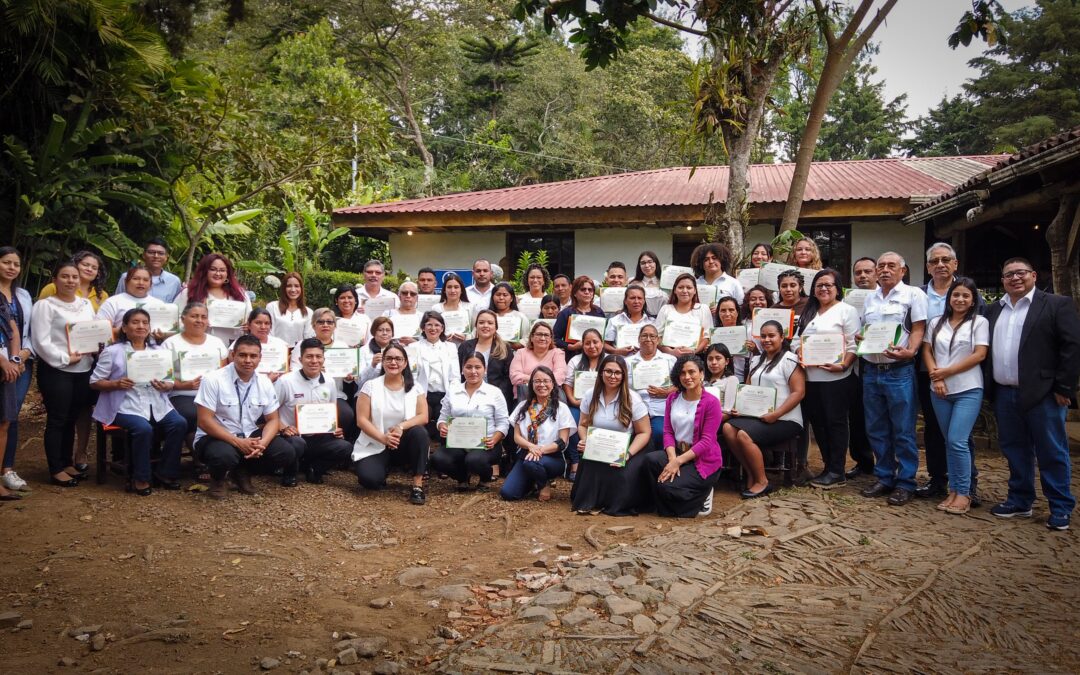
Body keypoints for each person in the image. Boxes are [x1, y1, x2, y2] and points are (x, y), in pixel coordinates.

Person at [985, 258, 1080, 531]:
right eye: (1008, 275)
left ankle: (1060, 506)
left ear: (1034, 275)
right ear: (1002, 280)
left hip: (1044, 394)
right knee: (1015, 449)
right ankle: (1020, 499)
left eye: (1021, 273)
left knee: (1052, 450)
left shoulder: (1055, 304)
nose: (1015, 278)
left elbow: (1072, 348)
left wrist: (1065, 388)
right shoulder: (994, 310)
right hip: (1004, 392)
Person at [915, 242, 986, 501]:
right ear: (928, 267)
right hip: (927, 373)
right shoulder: (917, 294)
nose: (940, 265)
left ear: (955, 264)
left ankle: (969, 485)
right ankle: (938, 481)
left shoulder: (967, 294)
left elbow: (980, 348)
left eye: (946, 260)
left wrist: (946, 373)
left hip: (963, 378)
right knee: (935, 430)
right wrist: (935, 373)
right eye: (935, 261)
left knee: (960, 434)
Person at [89, 309, 186, 495]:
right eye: (135, 322)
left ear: (149, 327)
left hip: (156, 403)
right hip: (124, 405)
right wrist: (116, 383)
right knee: (143, 428)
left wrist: (165, 385)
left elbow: (170, 380)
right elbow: (94, 382)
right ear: (124, 328)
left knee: (179, 423)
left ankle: (165, 473)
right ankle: (141, 477)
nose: (140, 326)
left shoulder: (159, 351)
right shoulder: (113, 352)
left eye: (144, 322)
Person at [858, 252, 928, 506]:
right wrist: (861, 338)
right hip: (872, 370)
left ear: (903, 270)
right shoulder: (870, 298)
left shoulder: (913, 295)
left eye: (891, 266)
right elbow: (866, 330)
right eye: (881, 266)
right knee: (876, 428)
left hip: (899, 371)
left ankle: (906, 482)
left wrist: (911, 350)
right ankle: (884, 477)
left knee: (903, 430)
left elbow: (919, 328)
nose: (885, 270)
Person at [194, 334, 299, 499]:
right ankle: (218, 478)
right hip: (216, 436)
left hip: (249, 433)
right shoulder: (213, 379)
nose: (248, 360)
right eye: (242, 355)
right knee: (223, 456)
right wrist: (237, 442)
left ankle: (243, 471)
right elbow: (204, 421)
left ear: (260, 358)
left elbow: (273, 419)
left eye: (253, 356)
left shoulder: (264, 382)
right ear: (233, 355)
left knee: (285, 453)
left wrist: (262, 444)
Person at [30, 261, 101, 486]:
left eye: (74, 277)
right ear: (55, 280)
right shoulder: (45, 306)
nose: (70, 281)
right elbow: (40, 341)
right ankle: (55, 468)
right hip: (56, 369)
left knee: (72, 417)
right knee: (58, 418)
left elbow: (92, 331)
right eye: (65, 276)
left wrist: (95, 346)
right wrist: (64, 358)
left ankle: (67, 462)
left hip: (83, 368)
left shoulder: (84, 305)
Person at [723, 320, 805, 499]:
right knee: (728, 428)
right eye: (763, 336)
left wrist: (776, 414)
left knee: (744, 435)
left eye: (772, 336)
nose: (767, 339)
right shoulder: (757, 360)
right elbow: (748, 389)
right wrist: (740, 407)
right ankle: (751, 471)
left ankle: (762, 481)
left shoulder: (789, 359)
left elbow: (798, 393)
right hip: (758, 417)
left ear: (782, 337)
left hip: (786, 419)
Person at [795, 269, 860, 489]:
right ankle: (827, 466)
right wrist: (800, 354)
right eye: (819, 285)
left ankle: (837, 470)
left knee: (836, 423)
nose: (823, 289)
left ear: (837, 288)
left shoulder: (846, 311)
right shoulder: (809, 312)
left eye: (828, 285)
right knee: (818, 424)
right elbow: (796, 341)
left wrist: (843, 364)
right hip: (810, 378)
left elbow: (853, 344)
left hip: (837, 378)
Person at [570, 354, 652, 515]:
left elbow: (644, 432)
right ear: (601, 372)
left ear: (623, 375)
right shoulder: (589, 394)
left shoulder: (633, 399)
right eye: (608, 371)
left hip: (627, 447)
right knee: (592, 466)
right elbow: (582, 424)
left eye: (617, 373)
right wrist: (585, 439)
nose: (612, 376)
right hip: (597, 446)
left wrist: (628, 454)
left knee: (620, 474)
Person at [643, 354, 723, 517]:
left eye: (692, 372)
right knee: (650, 461)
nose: (687, 377)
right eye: (682, 373)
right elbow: (668, 431)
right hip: (678, 453)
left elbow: (706, 441)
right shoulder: (672, 398)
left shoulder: (712, 402)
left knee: (668, 487)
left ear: (701, 373)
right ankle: (664, 503)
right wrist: (673, 459)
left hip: (703, 460)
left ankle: (703, 493)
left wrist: (677, 462)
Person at [353, 342, 430, 505]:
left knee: (420, 432)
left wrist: (401, 426)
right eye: (388, 359)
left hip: (404, 443)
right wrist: (383, 438)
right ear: (383, 362)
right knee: (370, 481)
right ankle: (384, 469)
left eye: (398, 359)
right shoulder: (370, 386)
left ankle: (417, 484)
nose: (393, 362)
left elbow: (423, 417)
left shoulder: (415, 387)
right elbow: (361, 420)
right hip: (376, 442)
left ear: (405, 362)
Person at [275, 338, 353, 484]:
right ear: (300, 359)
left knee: (345, 447)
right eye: (309, 356)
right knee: (297, 444)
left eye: (318, 357)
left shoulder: (329, 381)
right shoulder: (286, 381)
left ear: (324, 359)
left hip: (318, 436)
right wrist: (283, 428)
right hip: (292, 436)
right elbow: (271, 413)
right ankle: (290, 471)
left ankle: (314, 468)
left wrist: (334, 429)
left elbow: (330, 411)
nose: (314, 361)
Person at [430, 352, 511, 491]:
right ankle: (462, 478)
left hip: (486, 444)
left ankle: (485, 478)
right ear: (462, 369)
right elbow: (442, 418)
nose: (473, 371)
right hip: (458, 443)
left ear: (484, 369)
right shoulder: (453, 391)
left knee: (475, 460)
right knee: (437, 458)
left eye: (477, 367)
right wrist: (442, 427)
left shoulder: (494, 392)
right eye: (469, 367)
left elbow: (503, 423)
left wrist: (494, 439)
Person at [500, 366, 575, 502]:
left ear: (553, 384)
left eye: (546, 381)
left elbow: (563, 441)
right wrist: (531, 447)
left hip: (552, 457)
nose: (541, 385)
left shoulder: (561, 408)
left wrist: (539, 450)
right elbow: (517, 437)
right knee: (508, 493)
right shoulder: (523, 406)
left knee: (531, 463)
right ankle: (532, 482)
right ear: (531, 384)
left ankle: (543, 484)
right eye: (537, 381)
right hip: (526, 455)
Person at [162, 302, 229, 436]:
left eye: (203, 317)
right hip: (183, 395)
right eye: (194, 316)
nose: (199, 320)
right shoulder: (170, 344)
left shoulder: (216, 342)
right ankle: (200, 447)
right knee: (195, 415)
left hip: (214, 396)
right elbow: (163, 378)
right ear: (183, 319)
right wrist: (183, 385)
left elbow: (225, 372)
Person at [292, 307, 358, 439]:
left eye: (329, 322)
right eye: (321, 322)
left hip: (334, 394)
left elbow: (348, 378)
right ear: (313, 325)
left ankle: (334, 440)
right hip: (304, 392)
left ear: (335, 326)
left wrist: (349, 378)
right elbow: (294, 369)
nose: (325, 325)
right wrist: (312, 371)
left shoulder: (342, 346)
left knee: (346, 414)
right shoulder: (302, 345)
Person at [0, 247, 33, 493]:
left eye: (16, 264)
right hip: (3, 362)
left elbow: (27, 330)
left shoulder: (22, 295)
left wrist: (21, 355)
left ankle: (7, 469)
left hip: (19, 364)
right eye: (6, 262)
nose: (11, 267)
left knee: (9, 418)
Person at [846, 257, 879, 479]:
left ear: (876, 273)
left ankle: (887, 464)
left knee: (879, 417)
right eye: (858, 272)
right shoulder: (848, 301)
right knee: (856, 417)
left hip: (878, 363)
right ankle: (863, 461)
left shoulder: (883, 300)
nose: (863, 276)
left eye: (868, 271)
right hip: (853, 366)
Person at [406, 311, 460, 441]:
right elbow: (411, 376)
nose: (433, 328)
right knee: (419, 425)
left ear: (442, 328)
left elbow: (455, 377)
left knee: (446, 426)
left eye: (437, 325)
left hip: (445, 395)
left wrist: (451, 397)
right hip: (422, 395)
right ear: (423, 328)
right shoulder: (413, 347)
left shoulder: (451, 347)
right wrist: (418, 396)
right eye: (429, 325)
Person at [174, 253, 252, 342]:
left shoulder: (240, 294)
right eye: (213, 269)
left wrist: (248, 326)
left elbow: (251, 319)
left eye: (222, 270)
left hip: (233, 346)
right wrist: (195, 324)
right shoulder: (189, 292)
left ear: (227, 273)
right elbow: (175, 318)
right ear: (204, 271)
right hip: (197, 344)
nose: (218, 273)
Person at [627, 324, 676, 453]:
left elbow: (682, 384)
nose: (648, 339)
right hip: (634, 410)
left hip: (660, 409)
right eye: (644, 335)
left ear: (658, 340)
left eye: (652, 336)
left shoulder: (670, 360)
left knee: (660, 432)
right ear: (638, 339)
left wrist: (666, 392)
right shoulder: (627, 362)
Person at [564, 328, 605, 480]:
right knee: (572, 422)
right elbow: (567, 384)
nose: (592, 346)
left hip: (603, 406)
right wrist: (573, 400)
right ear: (582, 345)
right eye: (587, 343)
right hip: (579, 404)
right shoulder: (575, 361)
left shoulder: (609, 360)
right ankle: (575, 462)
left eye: (595, 342)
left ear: (602, 343)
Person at [458, 310, 514, 406]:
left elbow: (507, 377)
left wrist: (496, 395)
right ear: (476, 326)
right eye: (481, 322)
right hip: (468, 396)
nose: (485, 326)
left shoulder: (504, 348)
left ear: (496, 327)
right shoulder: (465, 346)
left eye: (490, 323)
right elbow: (459, 373)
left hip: (495, 397)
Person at [96, 266, 165, 338]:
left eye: (146, 280)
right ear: (126, 281)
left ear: (150, 284)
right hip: (119, 346)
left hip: (153, 347)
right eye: (136, 279)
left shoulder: (159, 304)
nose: (141, 283)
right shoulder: (113, 302)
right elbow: (99, 330)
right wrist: (124, 331)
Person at [655, 273, 712, 356]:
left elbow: (707, 337)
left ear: (695, 290)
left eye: (689, 288)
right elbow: (657, 336)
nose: (685, 291)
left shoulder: (703, 309)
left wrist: (693, 352)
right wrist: (671, 352)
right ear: (675, 290)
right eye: (681, 287)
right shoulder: (666, 309)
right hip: (670, 357)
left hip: (695, 357)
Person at [509, 322, 567, 399]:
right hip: (526, 394)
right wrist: (541, 382)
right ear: (532, 337)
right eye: (539, 334)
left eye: (546, 335)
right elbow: (515, 376)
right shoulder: (521, 353)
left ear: (550, 339)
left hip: (551, 395)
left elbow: (560, 376)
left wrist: (536, 382)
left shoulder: (557, 353)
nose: (542, 338)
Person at [114, 238, 182, 302]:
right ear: (144, 255)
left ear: (166, 257)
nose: (156, 256)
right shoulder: (127, 277)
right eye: (151, 252)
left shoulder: (174, 281)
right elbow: (117, 302)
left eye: (160, 253)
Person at [39, 250, 108, 311]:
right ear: (75, 265)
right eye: (85, 265)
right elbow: (40, 313)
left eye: (94, 268)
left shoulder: (102, 295)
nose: (89, 269)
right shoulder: (54, 287)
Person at [552, 276, 604, 353]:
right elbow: (554, 339)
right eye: (583, 289)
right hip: (573, 356)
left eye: (590, 290)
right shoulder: (566, 313)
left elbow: (604, 338)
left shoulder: (599, 312)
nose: (587, 292)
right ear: (575, 293)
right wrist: (570, 346)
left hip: (595, 356)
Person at [236, 308, 290, 383]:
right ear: (249, 324)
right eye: (258, 323)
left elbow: (286, 371)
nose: (263, 327)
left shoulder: (281, 345)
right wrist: (267, 381)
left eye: (267, 323)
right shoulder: (239, 344)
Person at [266, 272, 313, 346]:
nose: (293, 290)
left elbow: (308, 338)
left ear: (301, 288)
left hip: (299, 354)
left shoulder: (308, 312)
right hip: (276, 352)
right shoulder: (272, 307)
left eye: (297, 286)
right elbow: (269, 334)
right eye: (289, 286)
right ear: (284, 288)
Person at [605, 285, 653, 357]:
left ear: (644, 301)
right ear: (625, 301)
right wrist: (616, 351)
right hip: (620, 362)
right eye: (632, 298)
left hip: (644, 363)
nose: (636, 301)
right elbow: (605, 344)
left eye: (639, 298)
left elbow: (657, 345)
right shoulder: (615, 321)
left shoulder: (652, 322)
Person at [432, 272, 474, 342]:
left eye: (456, 287)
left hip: (464, 348)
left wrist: (466, 338)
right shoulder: (436, 308)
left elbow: (475, 329)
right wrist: (442, 337)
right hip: (443, 347)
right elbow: (433, 329)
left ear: (461, 290)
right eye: (449, 287)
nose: (452, 290)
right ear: (444, 290)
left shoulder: (469, 307)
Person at [714, 296, 747, 380]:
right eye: (723, 310)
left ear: (737, 312)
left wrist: (754, 349)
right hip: (719, 380)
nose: (727, 314)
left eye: (731, 310)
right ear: (718, 313)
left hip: (743, 378)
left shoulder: (747, 332)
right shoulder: (713, 334)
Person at [489, 281, 530, 349]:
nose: (501, 298)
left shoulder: (520, 317)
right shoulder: (486, 316)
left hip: (513, 354)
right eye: (498, 294)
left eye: (505, 295)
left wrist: (517, 344)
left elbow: (527, 338)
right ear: (492, 297)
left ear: (511, 298)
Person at [357, 316, 395, 388]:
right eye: (380, 330)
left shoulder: (399, 351)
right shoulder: (363, 351)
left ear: (392, 333)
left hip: (392, 390)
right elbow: (359, 381)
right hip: (368, 392)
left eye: (388, 330)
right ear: (373, 332)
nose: (384, 333)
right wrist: (372, 365)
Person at [703, 343, 739, 408]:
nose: (714, 362)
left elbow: (728, 410)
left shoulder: (731, 380)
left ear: (727, 361)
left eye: (718, 358)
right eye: (710, 359)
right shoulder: (701, 379)